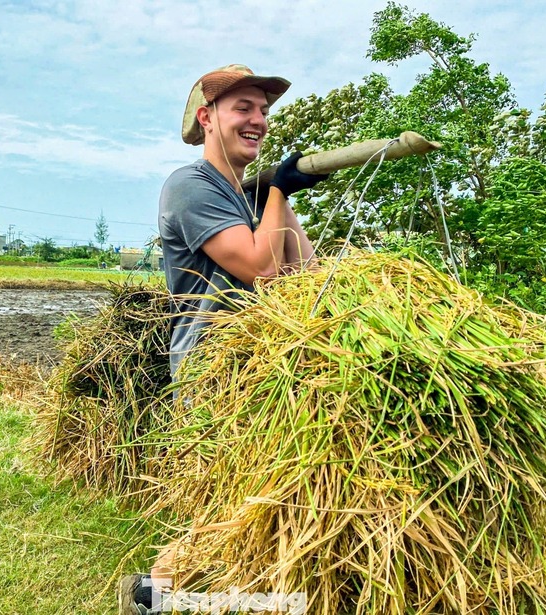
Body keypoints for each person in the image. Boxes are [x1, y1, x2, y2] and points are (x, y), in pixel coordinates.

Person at [119, 65, 328, 614]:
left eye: (264, 110)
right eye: (243, 108)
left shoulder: (250, 196)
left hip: (262, 362)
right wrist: (278, 188)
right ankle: (154, 595)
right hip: (210, 364)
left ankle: (197, 593)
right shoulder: (190, 187)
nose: (258, 119)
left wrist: (278, 197)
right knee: (221, 498)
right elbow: (261, 268)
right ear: (208, 118)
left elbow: (305, 272)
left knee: (252, 493)